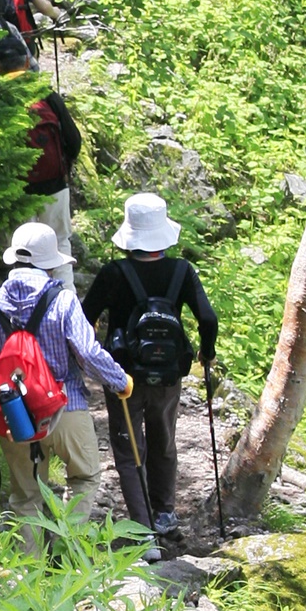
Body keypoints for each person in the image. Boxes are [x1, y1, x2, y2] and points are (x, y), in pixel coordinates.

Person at [0, 222, 129, 553]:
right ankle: (67, 552)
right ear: (50, 263)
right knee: (85, 477)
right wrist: (119, 380)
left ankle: (30, 573)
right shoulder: (63, 299)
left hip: (15, 417)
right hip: (67, 408)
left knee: (25, 495)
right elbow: (88, 352)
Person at [84, 193, 217, 543]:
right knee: (164, 441)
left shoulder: (114, 273)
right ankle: (165, 514)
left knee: (129, 452)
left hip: (122, 375)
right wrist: (207, 352)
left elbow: (85, 317)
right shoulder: (182, 271)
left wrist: (95, 349)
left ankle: (142, 529)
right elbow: (207, 317)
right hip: (168, 375)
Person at [23, 92, 82, 264]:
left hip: (17, 188)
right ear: (27, 64)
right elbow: (74, 142)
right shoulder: (48, 97)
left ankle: (26, 287)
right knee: (59, 241)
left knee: (23, 245)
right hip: (54, 183)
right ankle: (65, 288)